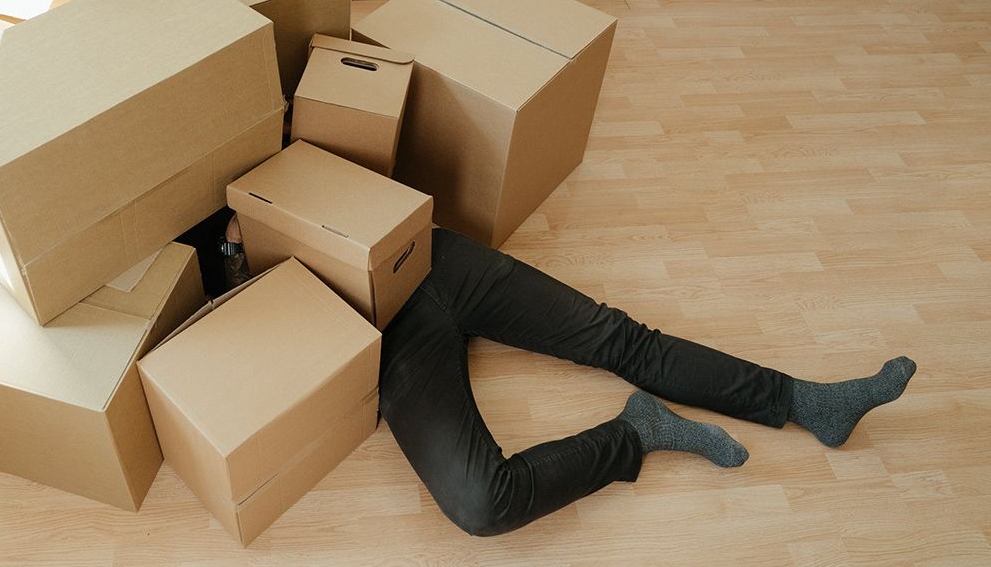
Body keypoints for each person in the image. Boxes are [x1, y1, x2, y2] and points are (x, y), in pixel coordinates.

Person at [377, 228, 917, 537]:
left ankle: (808, 401)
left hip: (417, 254)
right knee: (482, 504)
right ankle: (637, 432)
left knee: (620, 339)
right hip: (372, 332)